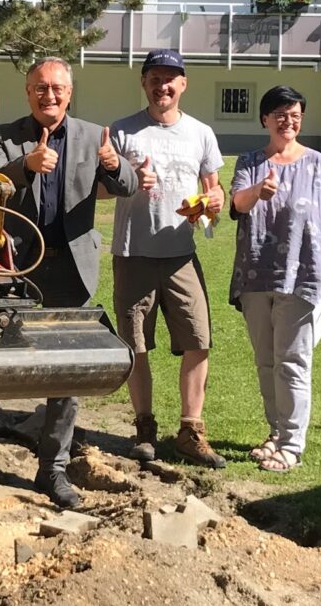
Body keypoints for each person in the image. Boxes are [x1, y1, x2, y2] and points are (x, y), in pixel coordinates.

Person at [0, 57, 137, 511]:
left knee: (66, 376)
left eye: (58, 88)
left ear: (70, 92)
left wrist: (113, 164)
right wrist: (26, 166)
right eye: (40, 88)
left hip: (70, 270)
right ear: (28, 92)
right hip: (10, 269)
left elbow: (127, 184)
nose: (50, 95)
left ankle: (54, 468)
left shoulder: (93, 135)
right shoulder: (6, 136)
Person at [229, 86, 321, 472]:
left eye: (295, 115)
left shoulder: (318, 164)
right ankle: (276, 432)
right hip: (255, 276)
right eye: (281, 114)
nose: (289, 121)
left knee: (293, 361)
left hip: (302, 277)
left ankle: (291, 443)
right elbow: (237, 203)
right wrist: (259, 189)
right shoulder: (250, 162)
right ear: (265, 119)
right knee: (266, 361)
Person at [108, 48, 227, 468]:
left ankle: (190, 431)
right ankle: (144, 428)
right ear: (144, 83)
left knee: (199, 341)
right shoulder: (122, 133)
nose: (163, 85)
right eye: (155, 78)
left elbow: (215, 190)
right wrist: (130, 180)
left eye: (171, 78)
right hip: (133, 252)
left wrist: (214, 200)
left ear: (183, 84)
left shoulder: (201, 133)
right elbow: (99, 190)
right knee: (135, 345)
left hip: (181, 254)